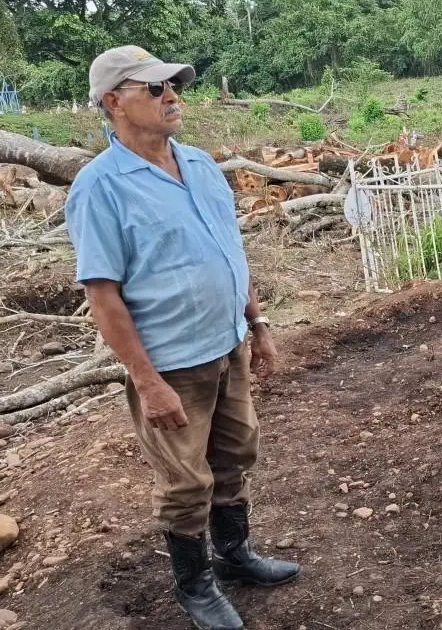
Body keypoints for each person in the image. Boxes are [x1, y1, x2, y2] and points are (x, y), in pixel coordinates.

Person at [65, 46, 299, 630]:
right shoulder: (101, 188)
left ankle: (236, 555)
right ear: (113, 101)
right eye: (155, 88)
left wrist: (257, 324)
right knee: (184, 480)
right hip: (170, 364)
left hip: (227, 345)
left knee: (234, 454)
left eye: (174, 85)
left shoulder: (197, 164)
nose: (172, 96)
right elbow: (102, 294)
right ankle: (195, 584)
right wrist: (147, 382)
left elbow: (230, 251)